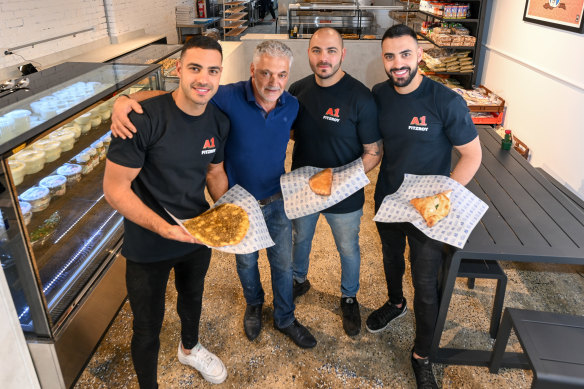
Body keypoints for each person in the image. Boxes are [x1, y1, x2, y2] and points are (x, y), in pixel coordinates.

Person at [110, 40, 317, 349]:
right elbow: (176, 97)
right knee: (246, 263)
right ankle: (254, 305)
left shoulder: (291, 105)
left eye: (281, 75)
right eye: (265, 73)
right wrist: (126, 99)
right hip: (237, 204)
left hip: (277, 201)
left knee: (283, 264)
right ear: (252, 70)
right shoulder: (226, 96)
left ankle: (285, 317)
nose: (273, 83)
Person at [103, 36, 229, 388]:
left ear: (221, 75)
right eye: (194, 68)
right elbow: (114, 190)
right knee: (146, 325)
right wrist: (164, 229)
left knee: (193, 298)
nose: (203, 79)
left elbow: (214, 173)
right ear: (178, 69)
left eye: (212, 71)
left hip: (195, 234)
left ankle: (190, 348)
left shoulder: (218, 121)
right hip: (148, 242)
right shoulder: (142, 119)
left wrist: (231, 213)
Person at [367, 24, 482, 389]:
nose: (397, 63)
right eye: (389, 56)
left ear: (419, 56)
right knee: (390, 259)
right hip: (388, 198)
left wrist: (441, 199)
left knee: (427, 285)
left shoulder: (446, 101)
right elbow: (379, 146)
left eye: (404, 54)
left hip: (427, 213)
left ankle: (421, 355)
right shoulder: (379, 95)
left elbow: (472, 156)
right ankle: (395, 303)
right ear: (383, 60)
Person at [287, 27, 382, 337]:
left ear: (343, 54)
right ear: (308, 53)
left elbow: (373, 152)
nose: (323, 58)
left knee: (348, 248)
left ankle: (349, 296)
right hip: (304, 187)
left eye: (330, 51)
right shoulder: (297, 90)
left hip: (345, 192)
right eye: (317, 51)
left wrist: (341, 179)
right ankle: (298, 280)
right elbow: (287, 133)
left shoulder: (360, 97)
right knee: (300, 239)